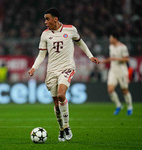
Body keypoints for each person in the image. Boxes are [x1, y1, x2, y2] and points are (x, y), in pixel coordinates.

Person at [28, 8, 100, 142]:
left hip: (67, 68)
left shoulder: (70, 29)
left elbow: (80, 42)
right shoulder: (45, 35)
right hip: (51, 71)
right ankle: (61, 129)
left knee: (61, 95)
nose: (45, 22)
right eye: (45, 19)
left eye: (47, 19)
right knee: (56, 105)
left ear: (55, 19)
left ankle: (67, 126)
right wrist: (34, 68)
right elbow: (42, 54)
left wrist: (90, 56)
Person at [101, 32, 133, 116]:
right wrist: (103, 61)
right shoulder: (111, 47)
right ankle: (118, 105)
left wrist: (116, 59)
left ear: (115, 39)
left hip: (122, 71)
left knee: (124, 90)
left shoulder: (123, 47)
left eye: (110, 38)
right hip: (113, 71)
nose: (109, 39)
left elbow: (126, 59)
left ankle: (130, 107)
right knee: (110, 90)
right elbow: (112, 58)